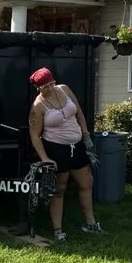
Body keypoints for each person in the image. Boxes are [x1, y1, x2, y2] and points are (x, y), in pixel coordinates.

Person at [28, 67, 105, 241]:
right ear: (38, 88)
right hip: (56, 148)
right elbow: (34, 135)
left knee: (86, 182)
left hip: (76, 145)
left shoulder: (64, 89)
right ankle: (58, 230)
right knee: (59, 188)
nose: (50, 88)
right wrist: (45, 159)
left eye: (51, 83)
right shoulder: (38, 106)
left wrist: (85, 135)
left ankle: (90, 224)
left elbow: (79, 113)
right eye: (45, 86)